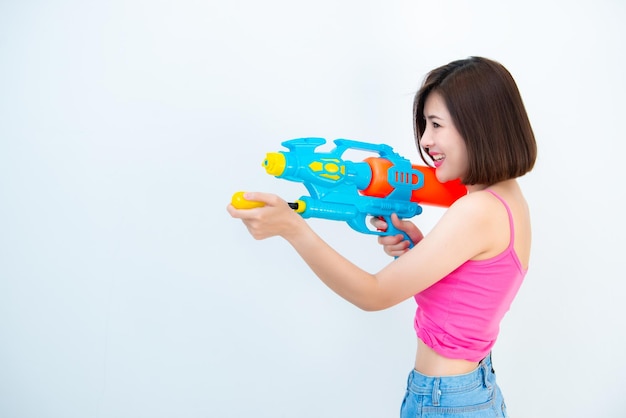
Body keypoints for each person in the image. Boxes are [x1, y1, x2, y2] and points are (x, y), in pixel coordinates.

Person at [227, 56, 537, 417]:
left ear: (479, 125)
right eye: (425, 125)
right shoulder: (507, 200)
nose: (426, 140)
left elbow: (373, 295)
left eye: (437, 125)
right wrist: (418, 252)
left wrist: (292, 229)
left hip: (446, 401)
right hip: (468, 390)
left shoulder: (477, 210)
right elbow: (469, 299)